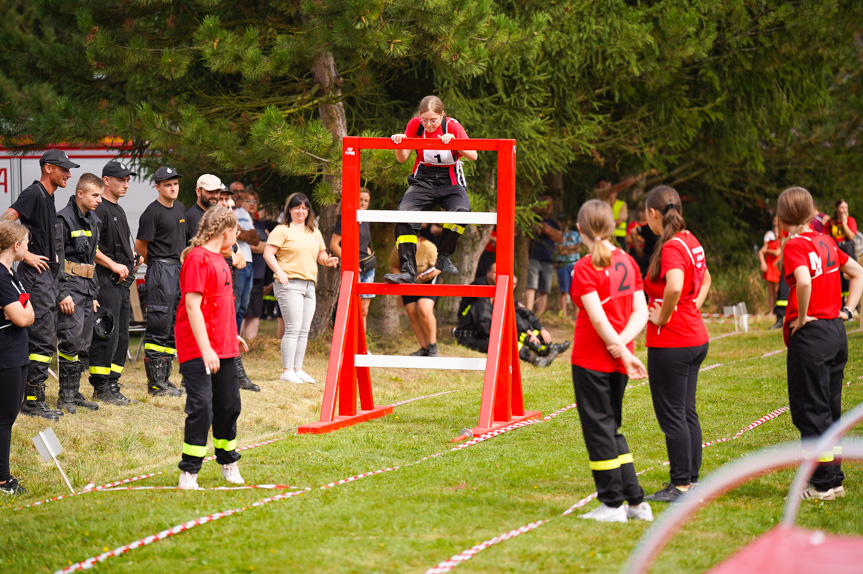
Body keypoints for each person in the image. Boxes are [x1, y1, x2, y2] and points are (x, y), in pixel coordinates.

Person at [777, 187, 863, 500]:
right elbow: (857, 273)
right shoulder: (825, 239)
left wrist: (801, 315)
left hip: (812, 335)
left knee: (811, 410)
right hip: (835, 332)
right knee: (829, 409)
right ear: (812, 211)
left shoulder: (795, 245)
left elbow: (801, 280)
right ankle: (834, 479)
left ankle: (823, 484)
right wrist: (848, 310)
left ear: (784, 216)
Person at [568, 199, 651, 523]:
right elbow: (640, 312)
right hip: (618, 360)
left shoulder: (585, 267)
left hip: (592, 359)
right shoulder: (628, 261)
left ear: (580, 230)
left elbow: (599, 321)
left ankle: (612, 504)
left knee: (600, 432)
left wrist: (622, 350)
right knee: (611, 428)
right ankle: (635, 502)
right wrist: (625, 349)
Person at [642, 186, 712, 503]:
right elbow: (706, 278)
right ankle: (691, 480)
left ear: (653, 214)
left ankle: (680, 484)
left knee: (673, 414)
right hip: (694, 336)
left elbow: (674, 287)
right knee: (686, 411)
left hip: (672, 342)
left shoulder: (671, 246)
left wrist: (663, 316)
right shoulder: (690, 239)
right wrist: (692, 304)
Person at [175, 207, 249, 489]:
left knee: (229, 405)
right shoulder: (197, 259)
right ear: (226, 232)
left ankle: (228, 461)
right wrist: (206, 349)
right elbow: (193, 306)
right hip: (197, 346)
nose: (237, 236)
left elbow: (222, 303)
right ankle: (189, 471)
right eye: (236, 232)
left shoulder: (221, 259)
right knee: (202, 407)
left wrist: (233, 334)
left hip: (224, 344)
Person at [2, 149, 79, 421]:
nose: (69, 174)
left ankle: (33, 397)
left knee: (45, 338)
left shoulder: (49, 196)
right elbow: (4, 220)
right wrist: (25, 254)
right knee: (43, 339)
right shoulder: (34, 194)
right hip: (35, 278)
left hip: (47, 278)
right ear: (48, 168)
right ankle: (33, 401)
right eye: (64, 169)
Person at [384, 95, 477, 284]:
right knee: (405, 214)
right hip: (423, 179)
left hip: (450, 179)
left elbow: (473, 155)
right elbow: (402, 158)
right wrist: (400, 142)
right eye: (424, 120)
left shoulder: (452, 126)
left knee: (462, 212)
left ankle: (443, 257)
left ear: (442, 115)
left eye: (433, 120)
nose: (429, 125)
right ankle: (407, 271)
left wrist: (455, 142)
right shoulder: (414, 125)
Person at [264, 194, 338, 384]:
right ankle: (287, 370)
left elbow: (321, 255)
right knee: (293, 327)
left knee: (304, 329)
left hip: (309, 284)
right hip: (289, 283)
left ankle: (298, 369)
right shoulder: (282, 230)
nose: (300, 211)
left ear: (308, 211)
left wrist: (327, 261)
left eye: (304, 208)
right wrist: (279, 271)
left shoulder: (314, 232)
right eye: (297, 208)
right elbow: (268, 253)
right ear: (289, 210)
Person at [454, 263, 569, 366]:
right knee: (503, 343)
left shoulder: (501, 290)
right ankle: (534, 359)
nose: (498, 276)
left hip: (485, 329)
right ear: (488, 273)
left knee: (518, 321)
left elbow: (522, 312)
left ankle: (545, 347)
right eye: (495, 272)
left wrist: (540, 328)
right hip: (471, 335)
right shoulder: (482, 292)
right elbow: (485, 326)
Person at [90, 161, 138, 406]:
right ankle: (100, 387)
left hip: (121, 285)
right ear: (106, 180)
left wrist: (131, 258)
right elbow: (92, 248)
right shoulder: (99, 209)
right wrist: (113, 265)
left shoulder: (118, 209)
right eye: (121, 180)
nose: (126, 184)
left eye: (128, 180)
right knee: (105, 333)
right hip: (106, 283)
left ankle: (112, 384)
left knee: (121, 335)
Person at [135, 166, 186, 397]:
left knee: (172, 325)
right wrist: (156, 267)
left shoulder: (181, 208)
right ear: (158, 187)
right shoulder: (151, 212)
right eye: (167, 184)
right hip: (160, 269)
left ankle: (165, 380)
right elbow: (140, 248)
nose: (173, 188)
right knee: (158, 324)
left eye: (175, 183)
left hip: (178, 269)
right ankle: (155, 383)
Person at [55, 173, 103, 414]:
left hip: (86, 288)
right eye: (95, 195)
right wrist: (62, 293)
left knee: (84, 342)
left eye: (100, 195)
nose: (99, 200)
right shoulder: (63, 219)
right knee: (71, 339)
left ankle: (74, 391)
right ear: (80, 194)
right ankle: (65, 396)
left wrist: (93, 295)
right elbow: (57, 260)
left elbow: (91, 258)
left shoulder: (94, 220)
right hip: (70, 287)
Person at [0, 222, 35, 495]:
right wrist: (21, 313)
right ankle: (3, 480)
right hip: (6, 354)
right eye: (26, 242)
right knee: (4, 417)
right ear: (16, 245)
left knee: (9, 416)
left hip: (18, 350)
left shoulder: (14, 274)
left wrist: (20, 312)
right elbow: (23, 317)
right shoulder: (1, 276)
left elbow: (26, 310)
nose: (28, 247)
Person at [330, 187, 375, 325]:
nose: (363, 203)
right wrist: (351, 262)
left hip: (367, 268)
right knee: (350, 309)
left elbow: (363, 242)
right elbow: (334, 244)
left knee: (364, 310)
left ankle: (362, 346)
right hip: (353, 269)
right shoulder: (346, 218)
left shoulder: (366, 219)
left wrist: (367, 251)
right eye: (360, 199)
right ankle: (349, 345)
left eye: (366, 201)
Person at [389, 235, 439, 356]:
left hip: (427, 278)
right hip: (408, 280)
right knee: (411, 312)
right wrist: (400, 277)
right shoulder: (398, 248)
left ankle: (433, 345)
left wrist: (425, 277)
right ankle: (424, 347)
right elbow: (394, 266)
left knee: (423, 308)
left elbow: (439, 267)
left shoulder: (429, 247)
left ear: (419, 240)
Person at [229, 182, 261, 331]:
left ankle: (237, 340)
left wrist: (241, 233)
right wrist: (242, 234)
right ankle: (231, 341)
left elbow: (255, 239)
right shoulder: (228, 211)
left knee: (243, 306)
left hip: (249, 262)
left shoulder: (243, 213)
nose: (239, 194)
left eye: (242, 191)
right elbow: (233, 235)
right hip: (237, 262)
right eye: (235, 191)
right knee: (235, 304)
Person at [526, 195, 563, 314]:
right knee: (531, 285)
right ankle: (528, 312)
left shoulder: (553, 223)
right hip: (533, 257)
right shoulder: (532, 219)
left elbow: (559, 237)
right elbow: (533, 230)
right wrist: (549, 231)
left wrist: (547, 230)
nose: (548, 207)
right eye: (545, 204)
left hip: (549, 259)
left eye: (550, 205)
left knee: (544, 288)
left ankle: (539, 315)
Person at [240, 190, 269, 339]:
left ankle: (251, 344)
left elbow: (270, 245)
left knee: (255, 310)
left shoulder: (259, 224)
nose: (252, 204)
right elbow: (241, 243)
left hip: (259, 272)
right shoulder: (238, 220)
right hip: (243, 268)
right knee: (243, 309)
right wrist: (259, 246)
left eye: (255, 201)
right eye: (248, 201)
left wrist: (256, 245)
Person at [823, 199, 858, 300]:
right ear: (837, 208)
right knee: (838, 275)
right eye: (842, 208)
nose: (844, 210)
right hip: (836, 248)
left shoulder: (850, 220)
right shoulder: (830, 222)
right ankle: (840, 300)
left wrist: (844, 223)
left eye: (846, 208)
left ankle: (852, 300)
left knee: (849, 274)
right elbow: (827, 237)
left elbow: (851, 236)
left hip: (847, 247)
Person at [555, 214, 582, 319]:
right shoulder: (558, 235)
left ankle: (576, 314)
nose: (563, 223)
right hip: (563, 264)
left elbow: (579, 249)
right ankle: (564, 314)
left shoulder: (575, 234)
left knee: (575, 290)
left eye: (565, 221)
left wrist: (567, 249)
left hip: (575, 264)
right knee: (563, 290)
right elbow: (561, 251)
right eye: (561, 221)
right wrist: (573, 247)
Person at [758, 215, 782, 328]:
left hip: (778, 265)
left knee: (778, 290)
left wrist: (767, 250)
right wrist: (763, 263)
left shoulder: (783, 235)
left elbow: (777, 252)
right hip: (769, 265)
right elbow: (761, 251)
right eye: (775, 220)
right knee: (771, 291)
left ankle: (779, 312)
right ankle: (771, 311)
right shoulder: (768, 235)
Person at [185, 174, 221, 243]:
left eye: (217, 192)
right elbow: (202, 244)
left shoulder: (215, 215)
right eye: (210, 192)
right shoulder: (193, 215)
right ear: (198, 191)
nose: (215, 196)